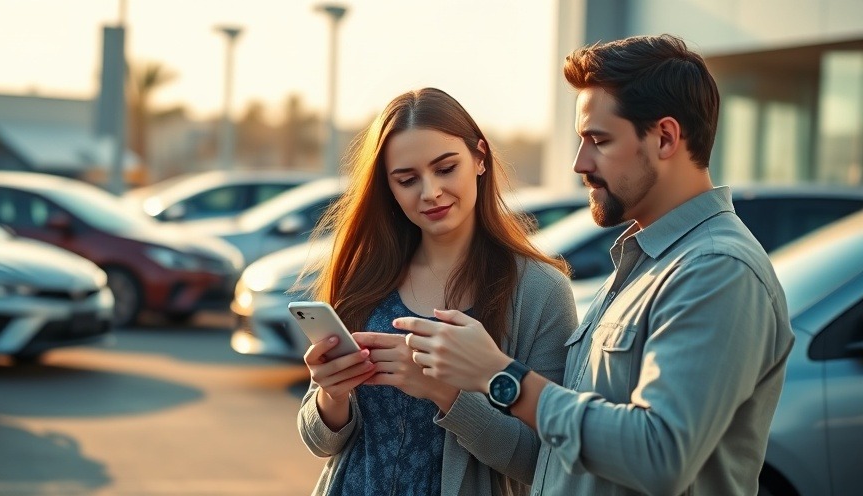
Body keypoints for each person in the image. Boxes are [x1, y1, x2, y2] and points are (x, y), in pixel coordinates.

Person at [396, 35, 795, 495]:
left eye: (598, 141)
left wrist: (499, 376)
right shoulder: (646, 262)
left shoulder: (717, 270)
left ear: (665, 137)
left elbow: (659, 454)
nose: (578, 163)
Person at [296, 87, 578, 496]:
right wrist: (330, 394)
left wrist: (442, 391)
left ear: (480, 158)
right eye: (407, 179)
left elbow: (542, 461)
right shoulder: (364, 277)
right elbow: (320, 442)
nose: (429, 192)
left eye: (445, 168)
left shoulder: (540, 292)